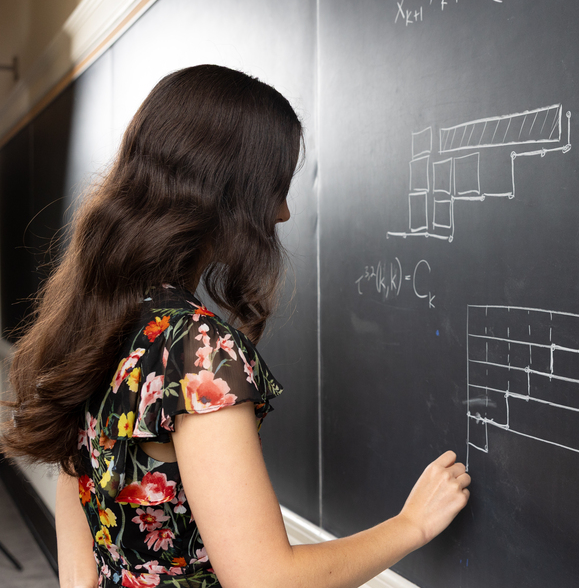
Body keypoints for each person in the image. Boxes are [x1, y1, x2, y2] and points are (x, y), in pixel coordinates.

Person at [0, 64, 471, 588]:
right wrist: (411, 526)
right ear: (227, 191)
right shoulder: (197, 353)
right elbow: (266, 579)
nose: (285, 212)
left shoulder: (98, 320)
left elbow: (78, 526)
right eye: (275, 187)